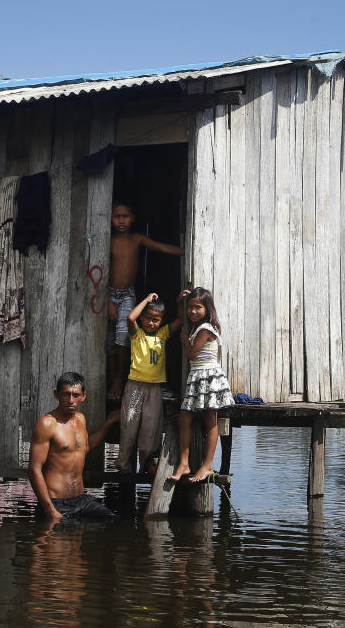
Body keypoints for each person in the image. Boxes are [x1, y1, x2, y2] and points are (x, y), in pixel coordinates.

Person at [107, 202, 184, 400]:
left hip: (127, 294)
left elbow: (162, 248)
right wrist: (107, 302)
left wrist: (187, 250)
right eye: (117, 216)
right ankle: (113, 378)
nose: (121, 220)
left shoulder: (136, 238)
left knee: (124, 336)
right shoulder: (108, 241)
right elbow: (100, 270)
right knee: (108, 342)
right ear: (110, 218)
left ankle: (118, 380)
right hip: (107, 293)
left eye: (125, 216)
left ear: (133, 218)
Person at [29, 372, 120, 521]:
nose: (71, 400)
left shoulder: (80, 419)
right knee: (59, 542)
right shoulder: (46, 424)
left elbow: (84, 448)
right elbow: (34, 469)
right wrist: (50, 510)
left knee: (113, 522)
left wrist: (109, 423)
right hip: (56, 503)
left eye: (76, 395)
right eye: (66, 394)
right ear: (56, 395)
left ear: (83, 396)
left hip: (81, 500)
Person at [168, 288, 235, 483]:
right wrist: (179, 303)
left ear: (207, 308)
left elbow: (192, 355)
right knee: (185, 418)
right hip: (199, 376)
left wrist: (184, 342)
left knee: (210, 420)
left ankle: (206, 465)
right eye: (190, 307)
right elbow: (183, 323)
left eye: (198, 307)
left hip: (207, 375)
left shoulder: (205, 329)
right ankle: (185, 463)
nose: (193, 311)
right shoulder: (198, 327)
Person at [115, 291, 183, 473]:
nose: (151, 323)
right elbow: (130, 318)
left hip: (154, 388)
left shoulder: (162, 335)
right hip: (135, 386)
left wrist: (179, 302)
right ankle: (123, 464)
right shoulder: (137, 334)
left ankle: (146, 463)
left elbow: (179, 320)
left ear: (161, 321)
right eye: (148, 318)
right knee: (129, 425)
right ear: (143, 318)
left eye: (156, 319)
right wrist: (145, 300)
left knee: (151, 428)